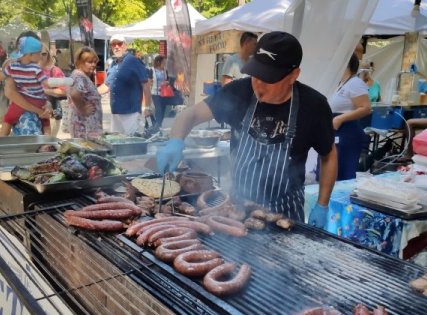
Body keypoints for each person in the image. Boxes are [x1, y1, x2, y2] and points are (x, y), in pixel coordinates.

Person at [156, 31, 337, 226]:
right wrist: (175, 141)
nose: (259, 85)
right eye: (255, 75)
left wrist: (322, 204)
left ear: (293, 75)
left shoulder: (314, 106)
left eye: (268, 79)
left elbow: (328, 155)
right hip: (236, 210)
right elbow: (189, 115)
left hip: (286, 212)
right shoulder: (239, 91)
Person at [0, 31, 52, 135]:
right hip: (25, 112)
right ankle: (48, 141)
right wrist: (39, 110)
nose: (41, 57)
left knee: (8, 120)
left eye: (43, 53)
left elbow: (40, 87)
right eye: (39, 53)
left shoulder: (20, 66)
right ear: (30, 54)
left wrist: (46, 104)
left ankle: (1, 140)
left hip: (29, 109)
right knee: (40, 128)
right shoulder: (13, 64)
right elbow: (10, 93)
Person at [328, 53, 372, 181]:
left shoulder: (355, 83)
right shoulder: (341, 84)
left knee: (342, 172)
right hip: (337, 131)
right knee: (332, 170)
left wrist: (339, 119)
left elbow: (366, 108)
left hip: (348, 132)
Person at [104, 34, 153, 135]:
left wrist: (148, 107)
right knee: (116, 143)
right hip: (116, 112)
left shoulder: (133, 61)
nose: (116, 47)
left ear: (125, 45)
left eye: (119, 44)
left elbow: (146, 84)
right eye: (113, 44)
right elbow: (107, 85)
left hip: (131, 112)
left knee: (130, 143)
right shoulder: (113, 64)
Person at [67, 47, 104, 140]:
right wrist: (82, 109)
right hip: (85, 126)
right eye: (90, 62)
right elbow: (74, 93)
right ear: (80, 62)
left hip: (87, 125)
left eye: (95, 62)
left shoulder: (80, 76)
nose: (93, 65)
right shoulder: (79, 76)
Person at [40, 46, 66, 137]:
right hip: (33, 113)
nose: (40, 56)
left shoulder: (54, 71)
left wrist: (44, 91)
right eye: (37, 53)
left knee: (48, 143)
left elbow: (64, 91)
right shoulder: (29, 70)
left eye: (43, 53)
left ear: (48, 55)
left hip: (51, 114)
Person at [149, 54, 170, 131]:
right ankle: (157, 126)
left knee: (163, 109)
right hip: (155, 93)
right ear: (158, 62)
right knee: (159, 109)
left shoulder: (165, 70)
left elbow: (168, 80)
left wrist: (167, 82)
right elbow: (149, 81)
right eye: (163, 62)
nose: (164, 64)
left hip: (164, 93)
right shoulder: (152, 70)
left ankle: (159, 125)